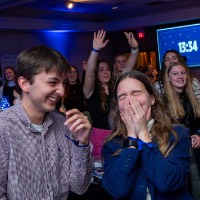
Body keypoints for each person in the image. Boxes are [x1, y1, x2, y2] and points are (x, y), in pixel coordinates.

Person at [0, 45, 93, 200]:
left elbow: (79, 187)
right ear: (24, 84)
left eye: (63, 83)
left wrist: (82, 144)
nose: (62, 91)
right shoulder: (4, 127)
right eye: (52, 83)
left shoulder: (63, 124)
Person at [102, 70, 193, 200]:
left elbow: (168, 183)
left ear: (152, 99)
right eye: (122, 96)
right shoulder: (112, 143)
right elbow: (117, 190)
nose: (129, 101)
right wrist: (132, 138)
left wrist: (143, 134)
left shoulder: (178, 134)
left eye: (136, 93)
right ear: (118, 106)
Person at [83, 29, 138, 158]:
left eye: (107, 69)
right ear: (96, 74)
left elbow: (127, 69)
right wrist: (95, 50)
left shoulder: (115, 87)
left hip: (118, 135)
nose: (105, 72)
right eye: (101, 70)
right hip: (99, 138)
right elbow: (90, 72)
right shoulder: (90, 91)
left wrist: (135, 50)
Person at [163, 62, 200, 200]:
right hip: (175, 153)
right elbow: (162, 130)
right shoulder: (163, 101)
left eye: (183, 73)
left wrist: (198, 135)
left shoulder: (192, 98)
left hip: (195, 151)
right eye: (175, 73)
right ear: (169, 78)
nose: (180, 76)